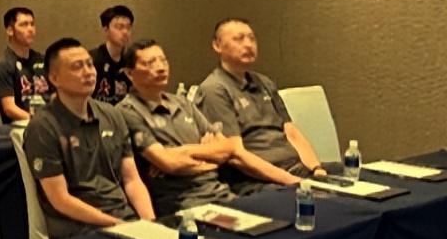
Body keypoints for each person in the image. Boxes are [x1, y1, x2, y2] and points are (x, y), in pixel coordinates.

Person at [117, 39, 301, 215]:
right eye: (150, 63)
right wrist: (211, 157)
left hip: (221, 192)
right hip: (183, 202)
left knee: (282, 212)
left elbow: (231, 148)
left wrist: (183, 152)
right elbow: (170, 164)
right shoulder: (128, 111)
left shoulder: (182, 103)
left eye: (163, 60)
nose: (160, 67)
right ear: (129, 73)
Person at [23, 38, 155, 239]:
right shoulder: (43, 127)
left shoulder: (111, 114)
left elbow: (132, 179)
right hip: (79, 230)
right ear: (54, 79)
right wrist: (118, 225)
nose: (89, 72)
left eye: (90, 64)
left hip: (123, 219)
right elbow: (60, 199)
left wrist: (149, 223)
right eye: (77, 67)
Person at [195, 18, 327, 193]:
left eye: (252, 38)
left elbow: (292, 132)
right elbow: (235, 155)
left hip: (296, 170)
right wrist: (293, 181)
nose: (248, 44)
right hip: (258, 181)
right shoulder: (214, 90)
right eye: (239, 39)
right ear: (217, 46)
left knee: (354, 185)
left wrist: (317, 169)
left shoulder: (264, 82)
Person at [0, 6, 50, 122]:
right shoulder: (3, 65)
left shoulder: (42, 60)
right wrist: (38, 122)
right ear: (10, 30)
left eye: (32, 24)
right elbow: (9, 109)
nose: (30, 29)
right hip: (21, 124)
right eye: (24, 25)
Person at [91, 5, 134, 104]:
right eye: (119, 27)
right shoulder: (93, 59)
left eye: (128, 27)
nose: (125, 32)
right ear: (106, 29)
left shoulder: (130, 62)